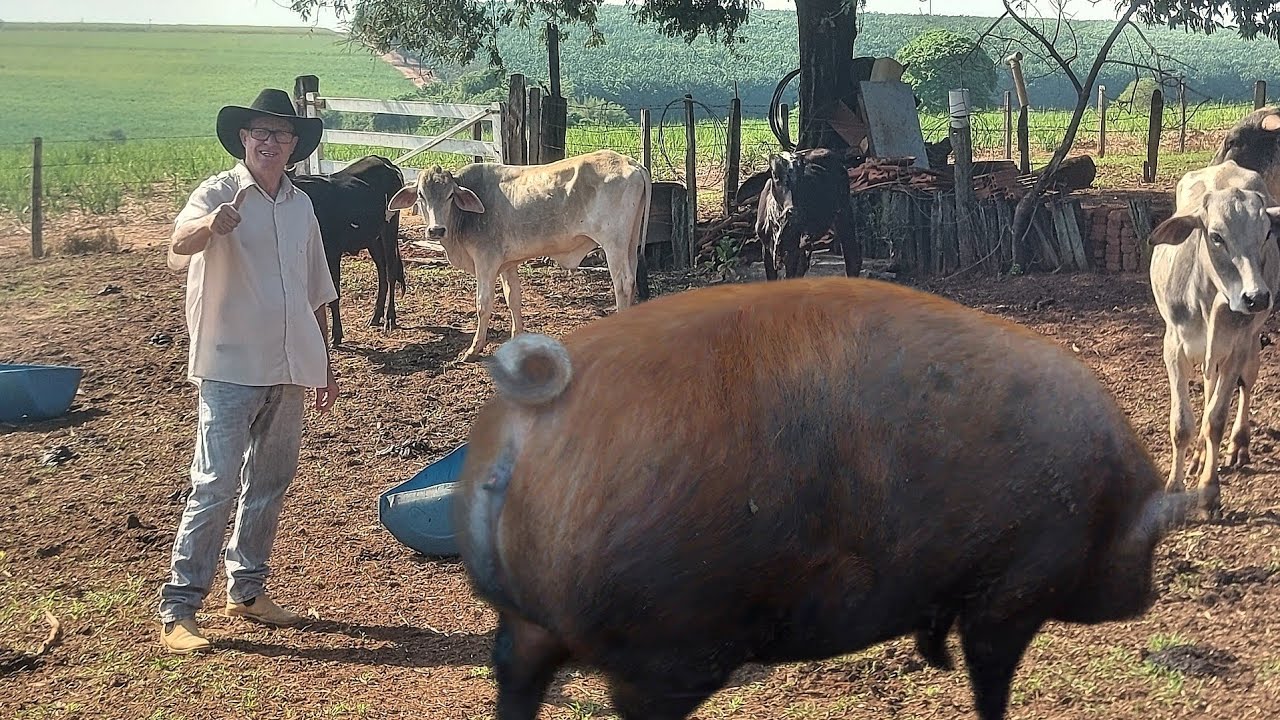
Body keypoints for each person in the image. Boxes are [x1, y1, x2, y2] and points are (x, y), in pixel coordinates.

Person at [158, 88, 340, 654]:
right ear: (244, 139)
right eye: (260, 133)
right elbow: (176, 246)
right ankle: (180, 608)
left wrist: (323, 364)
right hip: (231, 362)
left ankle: (248, 590)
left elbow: (314, 291)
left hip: (288, 364)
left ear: (293, 146)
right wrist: (212, 225)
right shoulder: (216, 193)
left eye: (281, 135)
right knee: (214, 483)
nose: (270, 142)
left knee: (270, 480)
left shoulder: (301, 205)